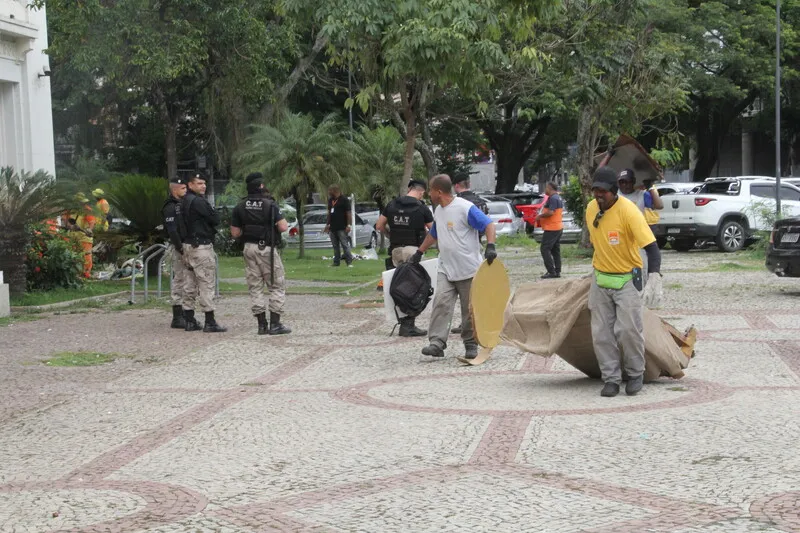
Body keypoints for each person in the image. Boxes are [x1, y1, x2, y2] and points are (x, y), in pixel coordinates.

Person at [585, 167, 662, 398]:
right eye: (595, 191)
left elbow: (652, 248)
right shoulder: (591, 209)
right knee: (601, 334)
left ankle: (636, 373)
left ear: (614, 191)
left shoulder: (629, 212)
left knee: (629, 331)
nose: (599, 195)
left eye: (603, 192)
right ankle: (611, 379)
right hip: (600, 278)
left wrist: (655, 276)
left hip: (627, 279)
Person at [410, 174, 497, 360]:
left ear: (438, 191)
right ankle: (437, 343)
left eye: (431, 190)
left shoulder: (465, 208)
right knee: (441, 303)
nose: (428, 194)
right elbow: (434, 233)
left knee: (469, 309)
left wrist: (491, 246)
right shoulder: (438, 211)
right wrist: (419, 252)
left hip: (468, 269)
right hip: (446, 268)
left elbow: (489, 225)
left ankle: (470, 343)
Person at [230, 172, 291, 335]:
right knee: (276, 285)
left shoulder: (240, 206)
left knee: (255, 286)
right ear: (262, 186)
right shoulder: (270, 205)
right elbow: (284, 227)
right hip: (266, 249)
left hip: (248, 248)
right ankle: (275, 324)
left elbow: (235, 233)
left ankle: (261, 324)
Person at [375, 178, 434, 337]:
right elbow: (434, 230)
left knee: (399, 285)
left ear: (409, 189)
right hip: (413, 250)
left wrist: (390, 235)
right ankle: (408, 325)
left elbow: (379, 225)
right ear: (421, 192)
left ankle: (403, 322)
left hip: (395, 250)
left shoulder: (392, 205)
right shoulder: (421, 208)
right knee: (412, 287)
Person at [181, 172, 226, 333]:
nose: (203, 186)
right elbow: (215, 219)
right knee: (206, 283)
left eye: (204, 183)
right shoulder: (199, 202)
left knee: (189, 284)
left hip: (187, 246)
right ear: (190, 185)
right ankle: (209, 320)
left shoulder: (184, 201)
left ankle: (189, 319)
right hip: (201, 246)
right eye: (199, 183)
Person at [450, 172, 489, 334]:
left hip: (463, 247)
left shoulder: (460, 203)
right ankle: (480, 319)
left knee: (465, 290)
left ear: (457, 186)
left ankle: (469, 322)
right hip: (478, 244)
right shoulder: (480, 201)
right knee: (477, 287)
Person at [162, 176, 188, 329]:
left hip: (187, 245)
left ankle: (186, 312)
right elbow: (172, 230)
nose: (185, 191)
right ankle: (177, 316)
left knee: (188, 280)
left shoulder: (182, 204)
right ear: (174, 189)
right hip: (179, 247)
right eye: (182, 188)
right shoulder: (170, 207)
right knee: (179, 279)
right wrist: (180, 248)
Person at [536, 181, 564, 279]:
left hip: (552, 228)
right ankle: (557, 271)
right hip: (558, 227)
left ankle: (551, 271)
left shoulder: (553, 198)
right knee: (555, 250)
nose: (545, 190)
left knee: (544, 248)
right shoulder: (558, 197)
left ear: (550, 188)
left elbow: (551, 212)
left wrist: (540, 216)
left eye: (546, 188)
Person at [324, 184, 353, 267]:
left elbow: (348, 213)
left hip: (342, 227)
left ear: (335, 191)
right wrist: (327, 224)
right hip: (333, 227)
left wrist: (348, 225)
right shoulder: (330, 200)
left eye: (330, 191)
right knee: (335, 246)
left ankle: (349, 262)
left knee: (344, 244)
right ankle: (336, 262)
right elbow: (329, 213)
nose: (329, 192)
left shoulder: (344, 200)